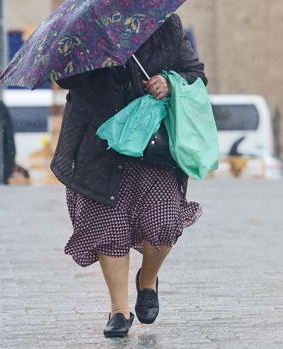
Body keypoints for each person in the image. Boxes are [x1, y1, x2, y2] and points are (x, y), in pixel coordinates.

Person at [52, 14, 207, 337]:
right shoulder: (85, 26)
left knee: (164, 221)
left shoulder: (165, 25)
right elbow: (64, 80)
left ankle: (147, 280)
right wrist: (84, 51)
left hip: (152, 144)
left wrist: (168, 82)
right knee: (107, 225)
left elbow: (195, 74)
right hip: (99, 142)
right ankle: (119, 310)